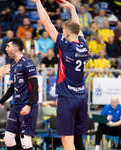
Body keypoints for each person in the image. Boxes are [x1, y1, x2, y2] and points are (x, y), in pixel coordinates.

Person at [33, 0, 88, 149]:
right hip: (82, 98)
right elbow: (78, 27)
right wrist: (72, 9)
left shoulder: (66, 46)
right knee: (78, 140)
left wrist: (38, 2)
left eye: (64, 31)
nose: (62, 33)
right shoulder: (84, 45)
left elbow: (47, 23)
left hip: (67, 98)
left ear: (68, 33)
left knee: (66, 140)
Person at [0, 37, 39, 150]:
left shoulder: (27, 63)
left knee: (25, 142)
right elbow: (13, 87)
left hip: (27, 106)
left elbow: (35, 86)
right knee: (8, 139)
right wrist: (0, 102)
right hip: (16, 106)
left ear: (15, 48)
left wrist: (29, 105)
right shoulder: (13, 65)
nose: (6, 49)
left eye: (8, 46)